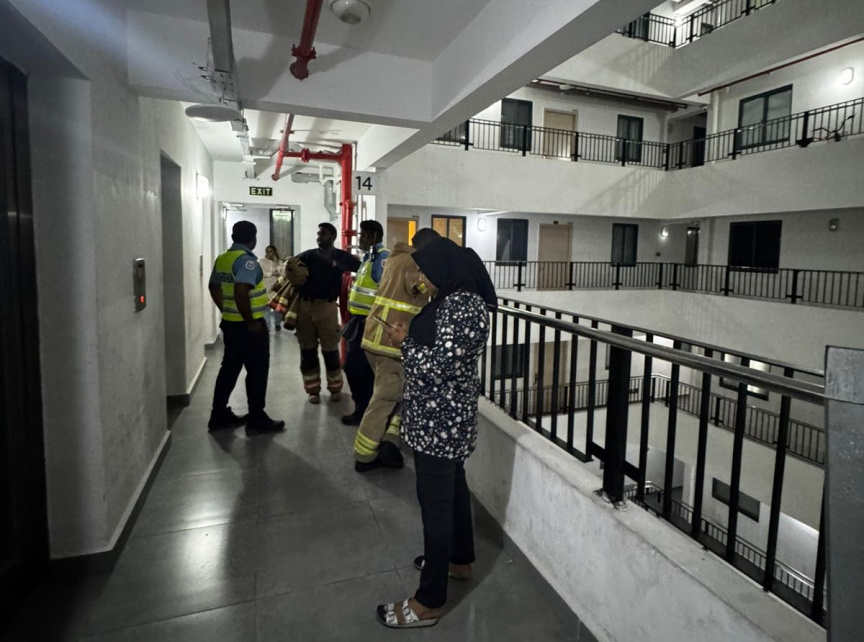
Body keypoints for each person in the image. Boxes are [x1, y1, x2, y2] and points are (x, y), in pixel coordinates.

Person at [376, 238, 496, 629]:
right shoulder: (449, 300)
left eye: (424, 272)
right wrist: (410, 335)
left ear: (444, 270)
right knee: (453, 492)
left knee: (436, 508)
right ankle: (458, 560)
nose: (420, 279)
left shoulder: (464, 307)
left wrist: (404, 343)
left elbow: (442, 366)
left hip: (440, 425)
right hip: (438, 421)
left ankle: (428, 602)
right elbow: (437, 348)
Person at [353, 228, 440, 472]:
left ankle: (390, 444)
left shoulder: (394, 258)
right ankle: (364, 456)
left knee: (398, 394)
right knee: (386, 398)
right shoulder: (414, 263)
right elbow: (424, 287)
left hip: (377, 337)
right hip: (391, 343)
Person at [207, 221, 286, 435]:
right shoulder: (248, 261)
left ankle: (218, 416)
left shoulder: (223, 258)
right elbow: (241, 291)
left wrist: (226, 309)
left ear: (233, 237)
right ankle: (257, 419)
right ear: (253, 239)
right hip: (249, 327)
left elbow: (213, 286)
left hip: (231, 324)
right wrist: (250, 322)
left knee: (229, 370)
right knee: (257, 371)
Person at [286, 222, 360, 404]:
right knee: (307, 351)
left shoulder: (342, 257)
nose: (319, 237)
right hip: (305, 307)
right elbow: (290, 269)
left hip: (327, 308)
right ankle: (312, 390)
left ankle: (335, 388)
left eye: (323, 234)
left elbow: (362, 269)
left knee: (331, 351)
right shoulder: (307, 256)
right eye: (318, 234)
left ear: (332, 236)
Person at [341, 220, 390, 426]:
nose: (359, 239)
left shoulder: (382, 258)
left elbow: (385, 291)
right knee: (356, 369)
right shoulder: (369, 258)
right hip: (358, 321)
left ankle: (364, 411)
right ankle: (362, 408)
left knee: (359, 370)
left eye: (362, 235)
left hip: (369, 323)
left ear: (373, 236)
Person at [259, 245, 284, 332]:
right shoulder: (262, 261)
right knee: (266, 309)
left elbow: (283, 273)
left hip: (277, 288)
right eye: (267, 251)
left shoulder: (279, 262)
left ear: (274, 252)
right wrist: (273, 273)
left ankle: (277, 324)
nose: (268, 253)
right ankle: (267, 327)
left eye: (270, 251)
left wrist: (278, 269)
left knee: (277, 308)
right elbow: (262, 273)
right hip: (266, 288)